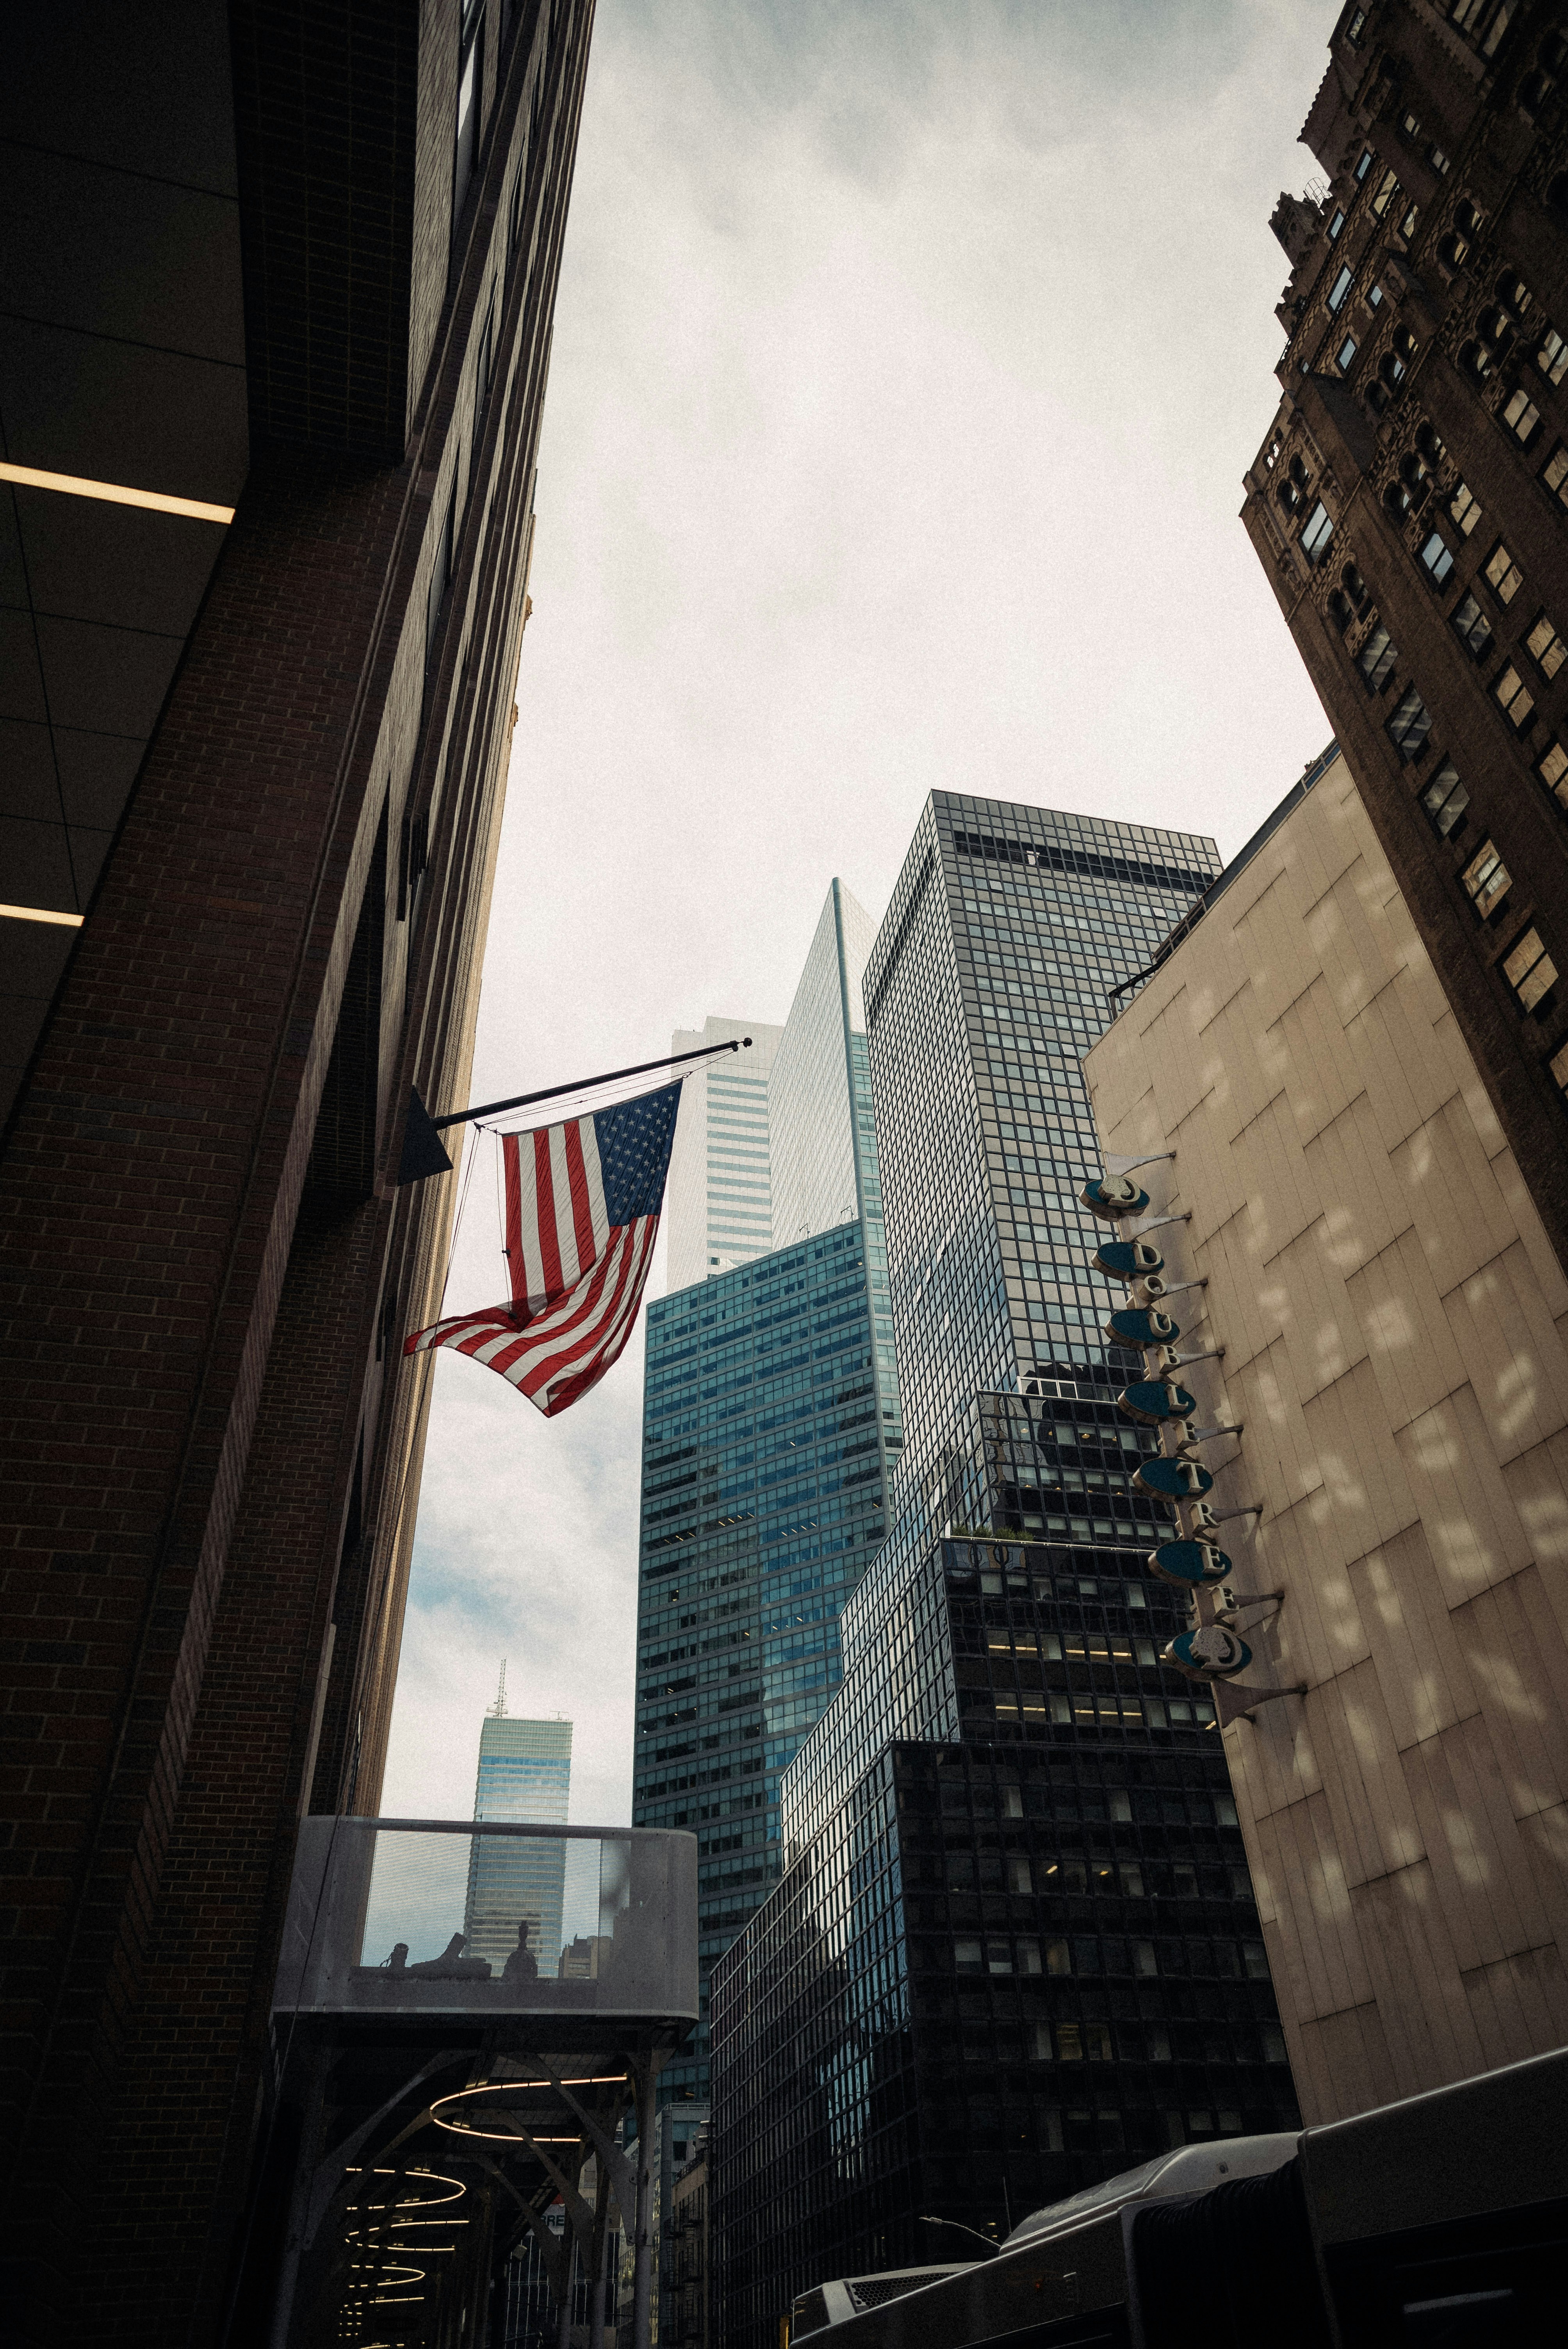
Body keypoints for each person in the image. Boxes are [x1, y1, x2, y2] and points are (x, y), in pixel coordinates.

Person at [501, 1918, 539, 1984]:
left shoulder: (527, 1957)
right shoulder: (520, 1956)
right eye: (522, 1932)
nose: (523, 1934)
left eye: (525, 1932)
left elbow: (534, 1973)